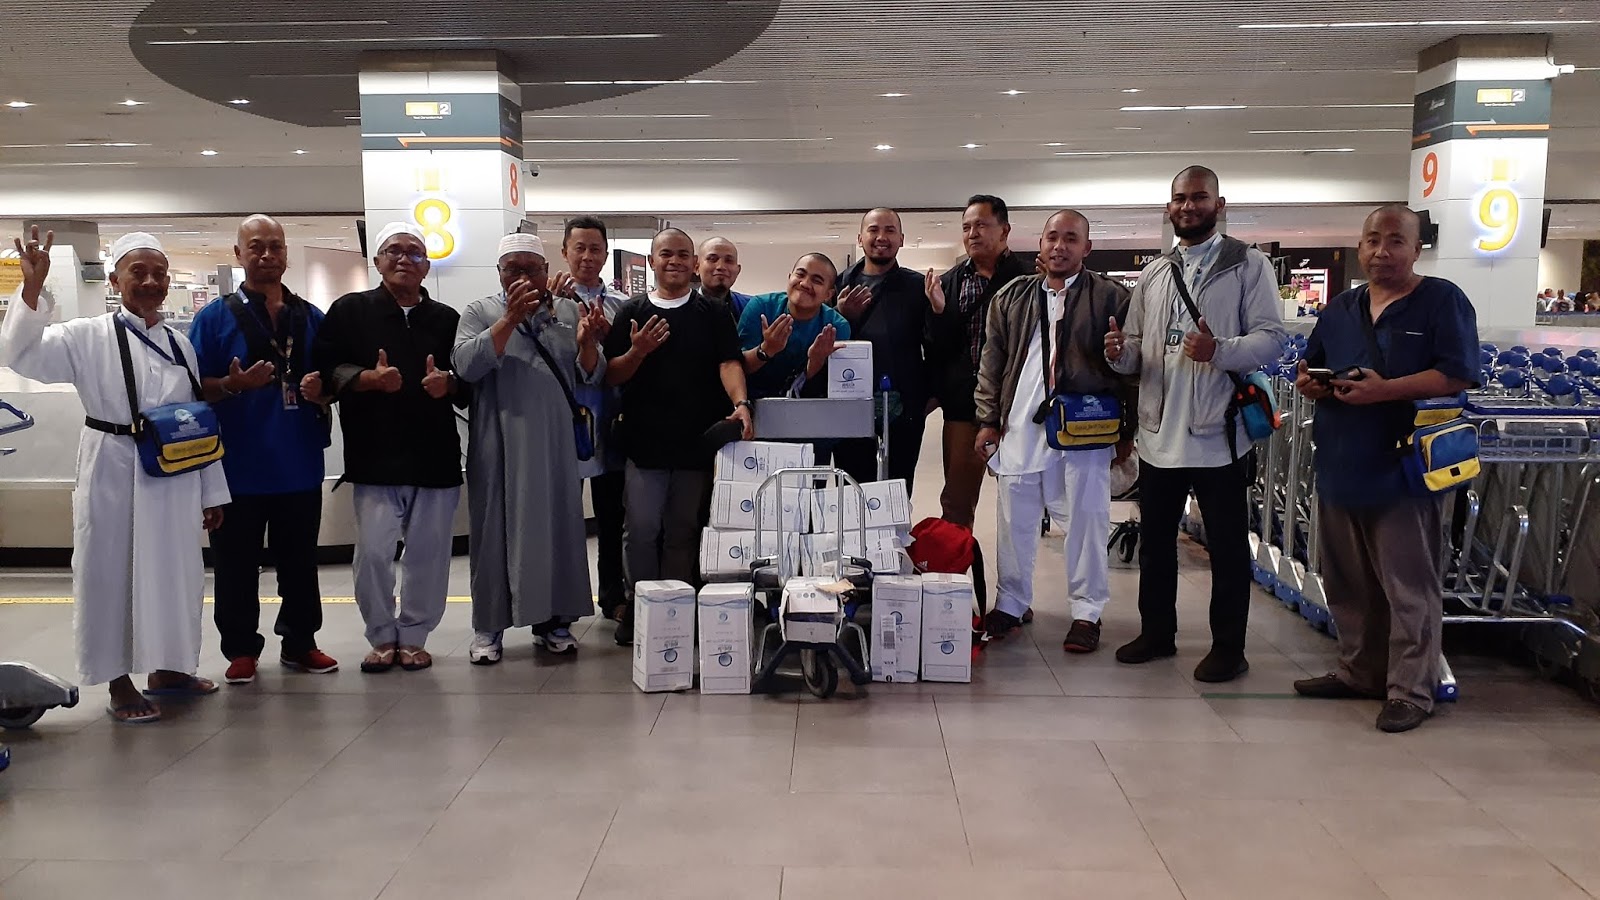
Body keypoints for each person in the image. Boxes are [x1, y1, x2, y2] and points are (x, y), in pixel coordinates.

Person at [0, 228, 228, 723]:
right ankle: (119, 682)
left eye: (159, 273)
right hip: (112, 468)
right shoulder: (86, 336)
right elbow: (21, 353)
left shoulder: (180, 343)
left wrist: (212, 491)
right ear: (114, 279)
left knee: (176, 573)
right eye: (137, 272)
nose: (150, 281)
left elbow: (195, 419)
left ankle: (169, 669)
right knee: (111, 573)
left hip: (173, 475)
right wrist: (32, 289)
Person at [1291, 205, 1479, 733]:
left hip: (1404, 466)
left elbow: (1458, 374)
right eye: (1372, 240)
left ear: (1417, 249)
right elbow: (1313, 364)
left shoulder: (1442, 300)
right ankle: (1360, 671)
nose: (1382, 251)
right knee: (1347, 580)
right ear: (1360, 247)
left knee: (1408, 583)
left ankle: (1411, 689)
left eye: (1396, 241)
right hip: (1341, 458)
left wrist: (1387, 391)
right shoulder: (1340, 309)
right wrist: (1311, 384)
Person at [1104, 166, 1286, 683]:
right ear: (1169, 208)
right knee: (1156, 541)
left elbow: (1272, 339)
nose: (1188, 206)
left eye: (1199, 197)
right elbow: (1137, 347)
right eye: (1180, 198)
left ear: (1219, 205)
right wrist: (1118, 354)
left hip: (1219, 435)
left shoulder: (1248, 265)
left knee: (1226, 547)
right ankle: (1157, 633)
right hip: (1159, 433)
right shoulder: (1156, 273)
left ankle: (1229, 647)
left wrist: (1219, 350)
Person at [976, 210, 1135, 652]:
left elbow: (1133, 369)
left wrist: (1127, 431)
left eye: (1071, 238)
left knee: (1086, 519)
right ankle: (1011, 601)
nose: (1059, 246)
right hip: (1020, 424)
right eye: (1052, 237)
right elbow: (991, 362)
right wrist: (987, 420)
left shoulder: (1111, 297)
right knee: (1014, 518)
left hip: (1086, 426)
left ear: (1087, 248)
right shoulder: (1012, 296)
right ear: (1040, 244)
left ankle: (1087, 612)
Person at [187, 215, 337, 685]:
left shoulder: (310, 317)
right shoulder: (213, 319)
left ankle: (300, 641)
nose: (267, 254)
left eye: (276, 246)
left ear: (286, 253)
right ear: (239, 254)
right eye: (256, 246)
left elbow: (335, 378)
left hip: (299, 461)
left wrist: (323, 391)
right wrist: (233, 384)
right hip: (237, 467)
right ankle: (240, 649)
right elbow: (193, 388)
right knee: (235, 565)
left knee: (300, 561)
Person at [313, 223, 465, 673]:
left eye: (414, 253)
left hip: (435, 454)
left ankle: (415, 636)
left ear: (427, 266)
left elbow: (470, 378)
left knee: (428, 554)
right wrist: (366, 379)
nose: (404, 259)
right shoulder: (349, 311)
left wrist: (449, 384)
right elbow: (324, 370)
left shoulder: (446, 319)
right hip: (375, 455)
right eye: (394, 251)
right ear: (377, 262)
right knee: (374, 554)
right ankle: (381, 635)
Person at [455, 234, 610, 663]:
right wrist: (508, 319)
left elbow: (590, 375)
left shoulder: (567, 310)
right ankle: (489, 628)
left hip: (555, 443)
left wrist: (587, 343)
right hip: (500, 442)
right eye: (513, 269)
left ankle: (555, 623)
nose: (522, 276)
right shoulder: (479, 312)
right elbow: (465, 366)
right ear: (499, 273)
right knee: (494, 533)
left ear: (546, 272)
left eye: (531, 269)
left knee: (559, 528)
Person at [603, 228, 753, 631]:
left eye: (684, 254)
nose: (675, 261)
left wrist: (740, 403)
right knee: (641, 529)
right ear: (652, 261)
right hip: (644, 442)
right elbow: (611, 374)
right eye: (666, 254)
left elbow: (729, 362)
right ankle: (640, 605)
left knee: (682, 530)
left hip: (695, 442)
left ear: (694, 263)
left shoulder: (713, 313)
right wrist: (638, 351)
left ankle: (674, 608)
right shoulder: (631, 311)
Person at [927, 194, 1031, 528]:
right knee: (957, 503)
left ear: (1004, 230)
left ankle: (1015, 565)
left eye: (981, 225)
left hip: (1017, 408)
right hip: (964, 408)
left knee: (1021, 501)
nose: (972, 234)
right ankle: (957, 563)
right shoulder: (950, 283)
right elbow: (939, 349)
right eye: (966, 227)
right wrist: (939, 312)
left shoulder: (1028, 281)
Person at [548, 216, 631, 629]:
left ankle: (613, 595)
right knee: (561, 518)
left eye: (595, 249)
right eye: (578, 248)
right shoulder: (548, 301)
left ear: (605, 254)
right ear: (565, 252)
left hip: (610, 421)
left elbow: (630, 357)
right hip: (564, 423)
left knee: (613, 516)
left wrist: (607, 334)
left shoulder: (622, 304)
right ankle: (558, 603)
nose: (587, 256)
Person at [831, 208, 936, 488]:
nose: (881, 237)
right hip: (848, 403)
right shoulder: (839, 284)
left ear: (901, 239)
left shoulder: (917, 287)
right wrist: (841, 315)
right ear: (860, 238)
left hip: (904, 405)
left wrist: (932, 394)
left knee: (898, 488)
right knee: (851, 487)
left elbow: (935, 344)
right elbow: (820, 340)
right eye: (873, 230)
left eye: (890, 230)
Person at [737, 253, 851, 399]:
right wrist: (766, 349)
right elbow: (737, 367)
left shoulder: (836, 326)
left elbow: (832, 388)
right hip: (753, 402)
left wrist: (815, 363)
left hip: (807, 404)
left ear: (828, 294)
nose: (804, 284)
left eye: (816, 281)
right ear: (790, 277)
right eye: (800, 275)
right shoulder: (761, 307)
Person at [698, 237, 751, 321]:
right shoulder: (681, 307)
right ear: (696, 267)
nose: (721, 267)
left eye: (729, 260)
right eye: (712, 259)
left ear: (738, 270)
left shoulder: (751, 307)